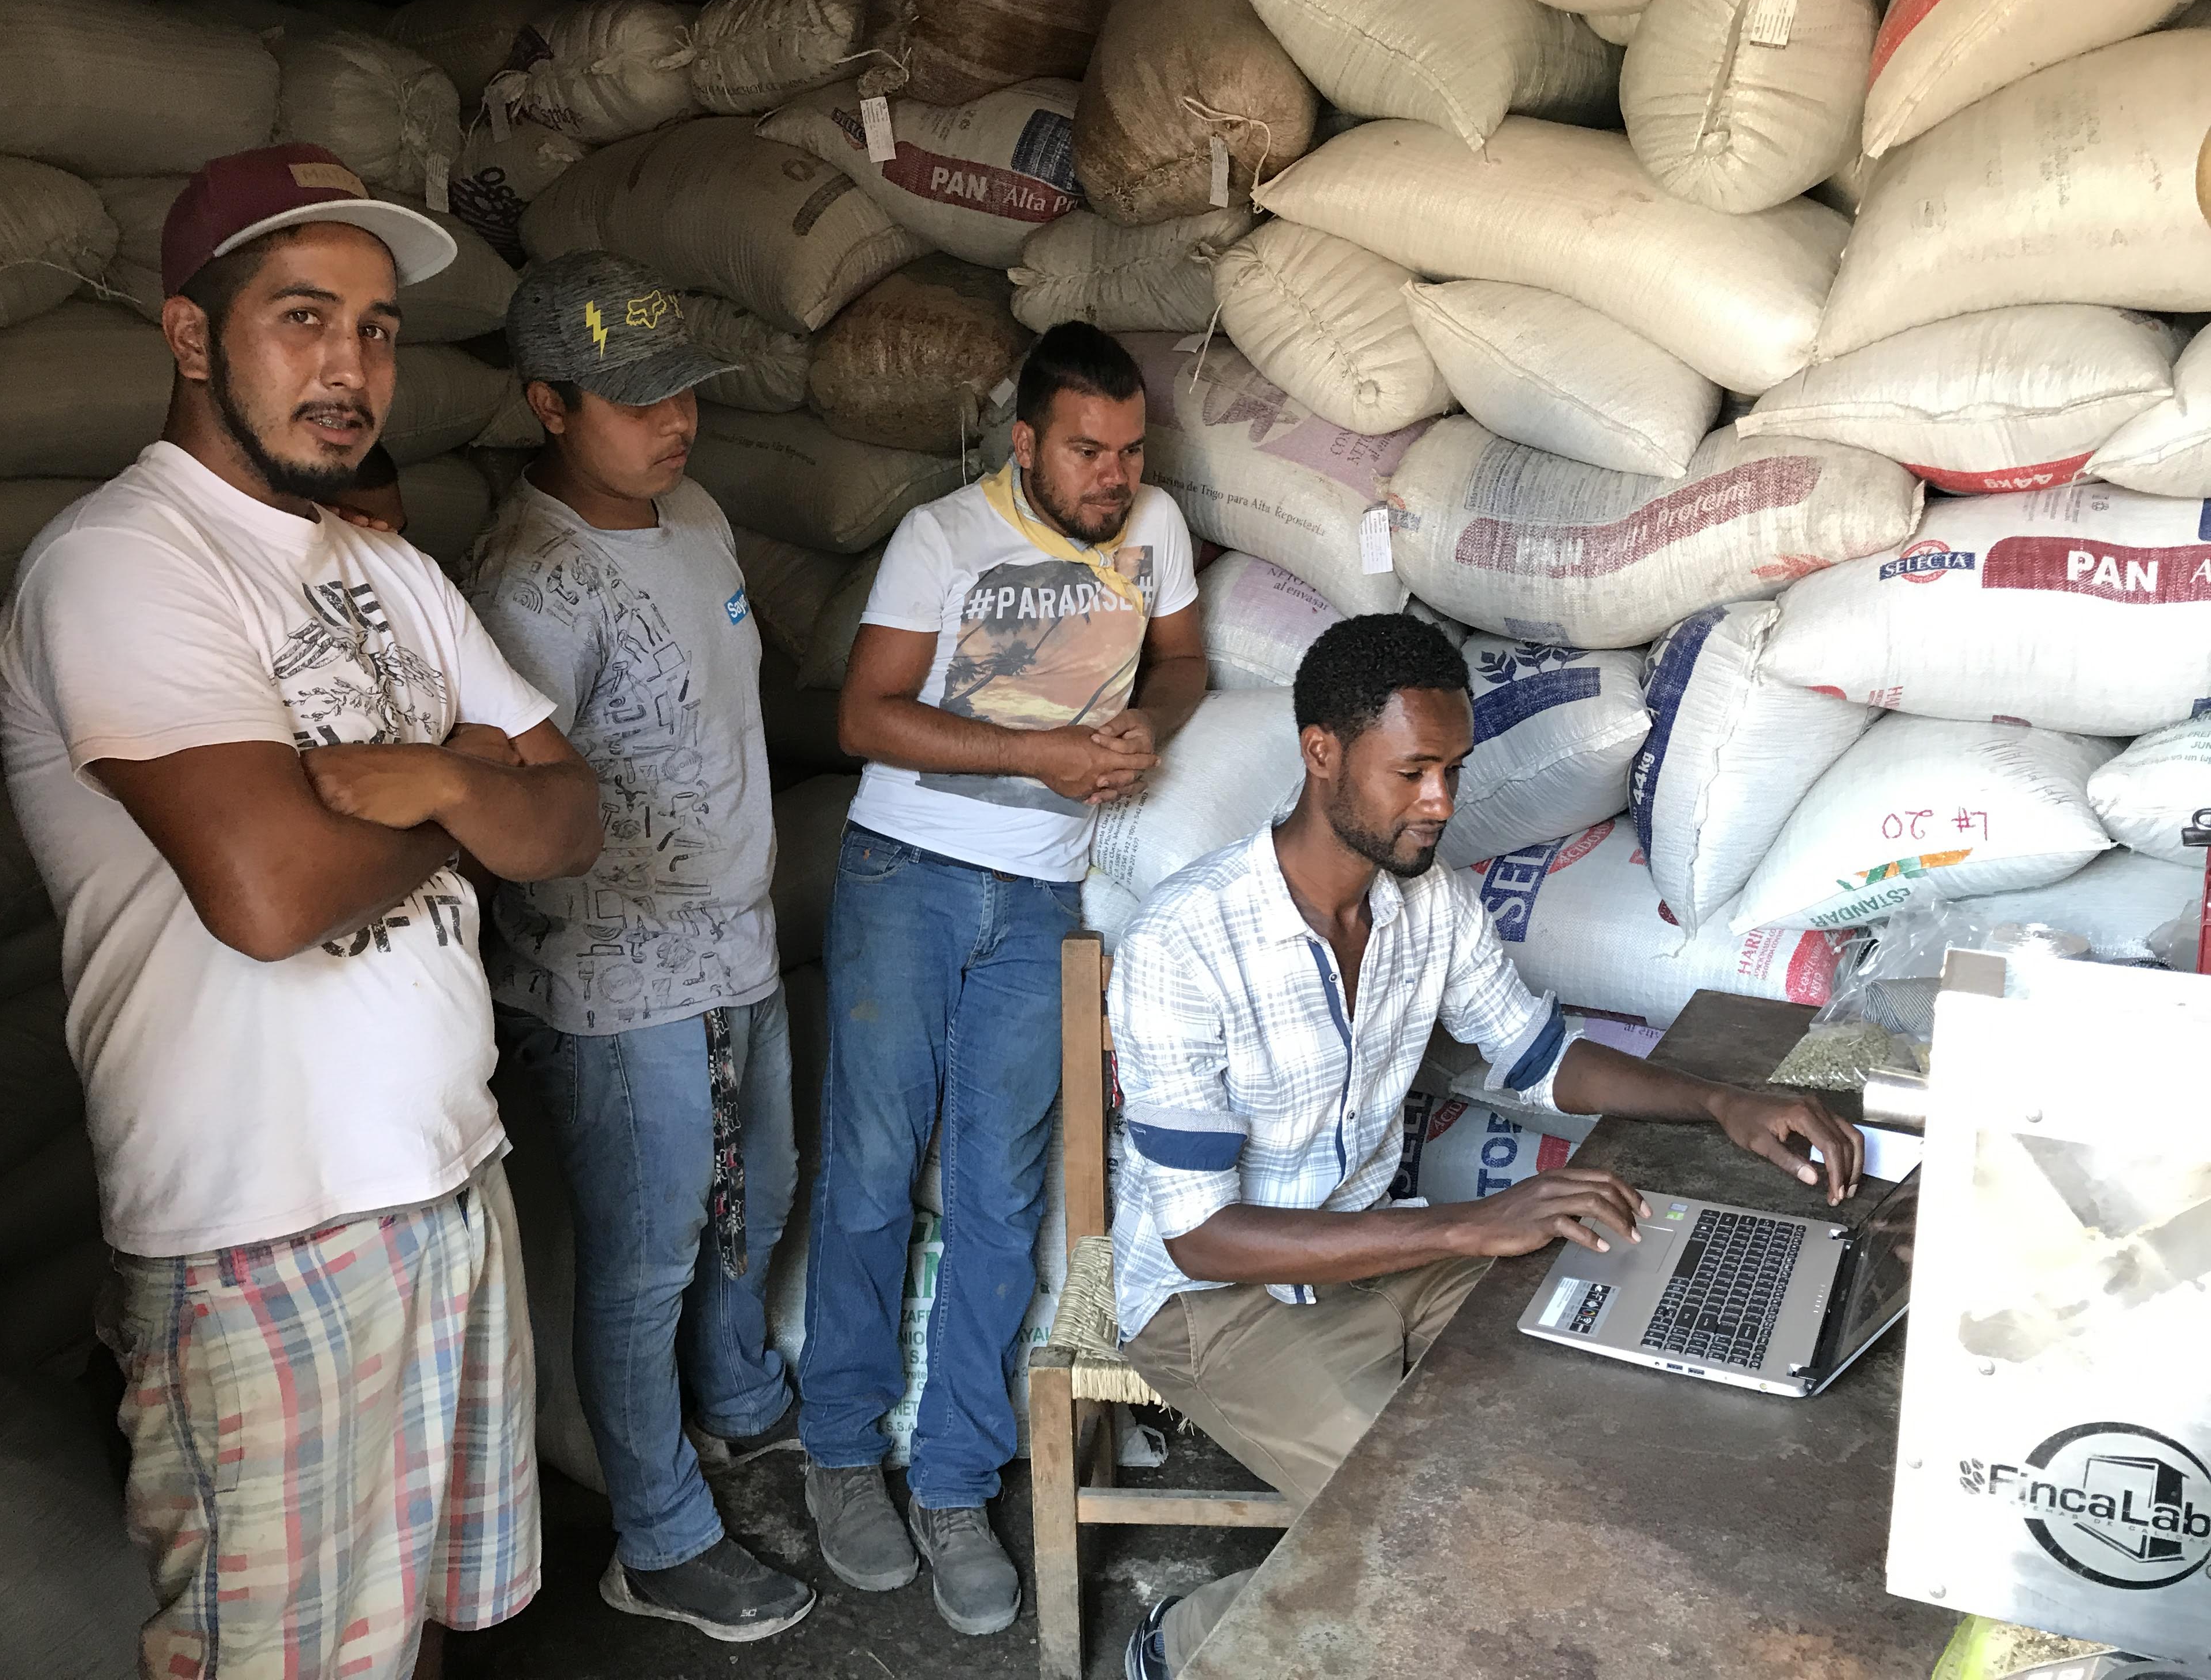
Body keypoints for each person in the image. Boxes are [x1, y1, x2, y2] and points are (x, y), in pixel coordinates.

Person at [0, 142, 603, 1680]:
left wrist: (432, 788)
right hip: (259, 1235)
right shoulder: (123, 565)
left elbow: (571, 815)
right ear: (192, 336)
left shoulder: (386, 571)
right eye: (303, 318)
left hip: (446, 1181)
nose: (352, 367)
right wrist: (472, 780)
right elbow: (266, 893)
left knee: (403, 1634)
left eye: (380, 328)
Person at [1107, 614, 1865, 1679]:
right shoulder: (1184, 943)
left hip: (1386, 1252)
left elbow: (1541, 1057)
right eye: (1413, 772)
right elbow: (1200, 1239)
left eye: (1455, 770)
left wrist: (1721, 1103)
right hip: (1220, 1307)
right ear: (1321, 752)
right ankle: (1183, 1642)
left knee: (1619, 1373)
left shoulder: (1432, 904)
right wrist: (1469, 1226)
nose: (1442, 804)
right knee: (1442, 1520)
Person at [798, 322, 1208, 1637]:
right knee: (869, 1170)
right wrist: (1031, 759)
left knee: (998, 1194)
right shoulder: (941, 537)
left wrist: (1159, 718)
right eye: (1087, 450)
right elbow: (865, 718)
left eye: (1132, 449)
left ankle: (958, 1486)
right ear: (1023, 440)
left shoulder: (1158, 531)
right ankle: (842, 1457)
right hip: (906, 878)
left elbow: (1187, 658)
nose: (1114, 475)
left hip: (1041, 901)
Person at [460, 250, 813, 1642]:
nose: (674, 423)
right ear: (549, 404)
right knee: (647, 1254)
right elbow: (503, 808)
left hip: (734, 940)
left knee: (760, 1192)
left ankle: (735, 1413)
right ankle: (658, 1540)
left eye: (684, 396)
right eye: (634, 402)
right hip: (612, 982)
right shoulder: (529, 590)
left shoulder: (697, 514)